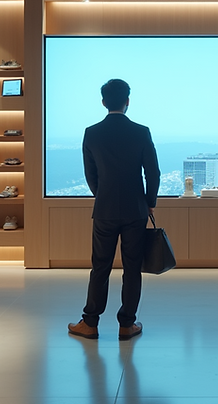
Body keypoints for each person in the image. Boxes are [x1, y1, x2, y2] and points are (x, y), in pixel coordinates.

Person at [69, 79, 160, 341]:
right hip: (135, 210)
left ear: (103, 102)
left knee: (100, 266)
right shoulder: (142, 132)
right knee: (132, 268)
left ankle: (90, 323)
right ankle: (126, 324)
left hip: (105, 210)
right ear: (127, 101)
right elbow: (152, 172)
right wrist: (149, 201)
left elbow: (91, 174)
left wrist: (103, 195)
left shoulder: (91, 132)